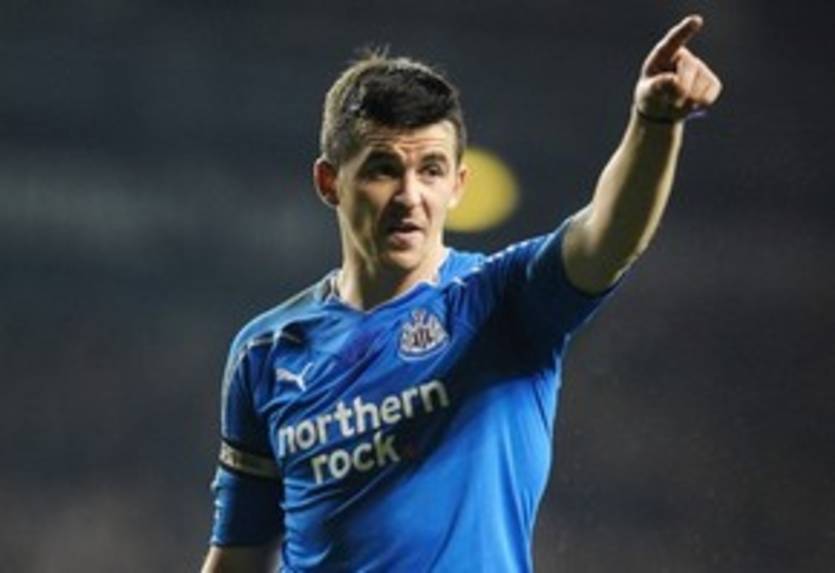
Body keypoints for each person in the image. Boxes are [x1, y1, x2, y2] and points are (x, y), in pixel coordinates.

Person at [201, 14, 722, 573]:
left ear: (458, 184)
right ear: (330, 183)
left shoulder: (502, 300)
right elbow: (239, 556)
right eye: (383, 170)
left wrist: (654, 124)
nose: (410, 196)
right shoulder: (266, 351)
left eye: (431, 170)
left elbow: (607, 237)